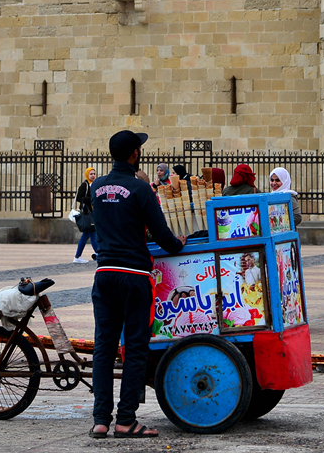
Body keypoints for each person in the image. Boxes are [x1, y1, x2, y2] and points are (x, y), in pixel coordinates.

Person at [90, 130, 186, 439]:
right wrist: (179, 242)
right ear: (135, 154)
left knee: (104, 348)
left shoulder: (96, 187)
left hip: (104, 274)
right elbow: (162, 234)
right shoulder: (141, 188)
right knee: (134, 347)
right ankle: (126, 420)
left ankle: (101, 420)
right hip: (133, 275)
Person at [72, 167, 98, 264]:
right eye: (91, 174)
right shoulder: (85, 185)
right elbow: (79, 198)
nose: (93, 175)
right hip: (87, 213)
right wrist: (91, 199)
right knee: (93, 233)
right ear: (87, 175)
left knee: (86, 235)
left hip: (92, 212)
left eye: (94, 174)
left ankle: (77, 256)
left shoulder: (94, 184)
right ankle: (99, 255)